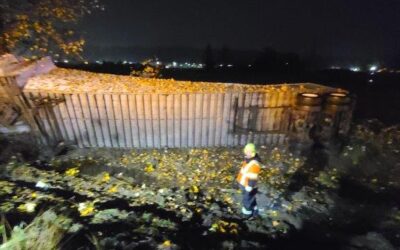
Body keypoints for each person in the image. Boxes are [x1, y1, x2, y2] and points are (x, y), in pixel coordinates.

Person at [236, 143, 262, 219]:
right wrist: (238, 181)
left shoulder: (254, 164)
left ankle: (247, 215)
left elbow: (253, 177)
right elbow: (243, 172)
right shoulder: (247, 160)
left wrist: (250, 186)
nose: (247, 153)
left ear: (253, 153)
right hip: (244, 184)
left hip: (249, 186)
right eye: (246, 151)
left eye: (249, 152)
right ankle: (255, 213)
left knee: (247, 201)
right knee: (251, 199)